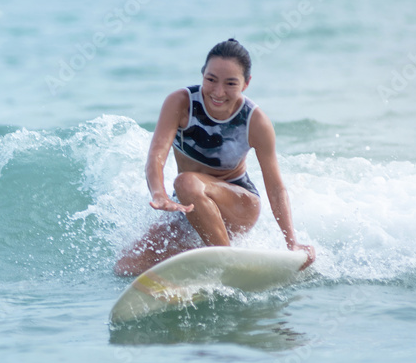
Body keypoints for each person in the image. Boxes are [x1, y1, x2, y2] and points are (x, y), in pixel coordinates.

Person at [114, 39, 315, 276]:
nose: (218, 92)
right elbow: (156, 155)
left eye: (231, 83)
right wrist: (158, 194)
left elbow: (275, 186)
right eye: (211, 80)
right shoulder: (181, 103)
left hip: (238, 205)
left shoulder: (255, 121)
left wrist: (291, 241)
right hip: (192, 207)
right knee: (127, 266)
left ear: (246, 83)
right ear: (202, 75)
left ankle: (228, 264)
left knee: (186, 182)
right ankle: (197, 270)